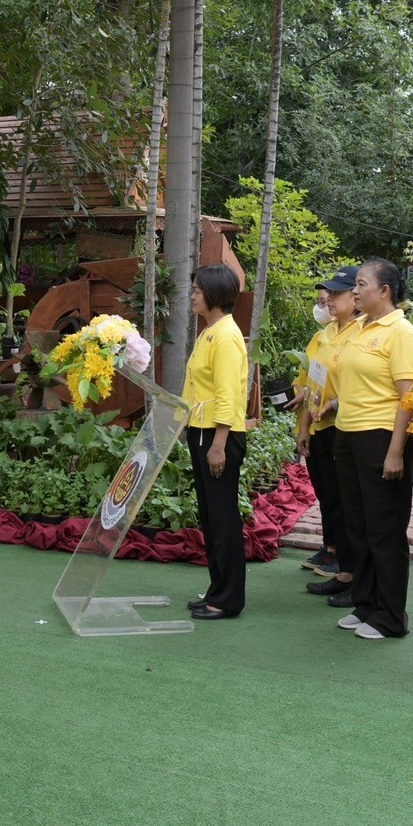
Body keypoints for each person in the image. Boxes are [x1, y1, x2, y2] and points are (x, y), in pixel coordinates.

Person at [331, 258, 413, 640]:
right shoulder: (359, 328)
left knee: (385, 529)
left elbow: (409, 399)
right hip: (348, 436)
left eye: (362, 284)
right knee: (359, 527)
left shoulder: (400, 332)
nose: (355, 290)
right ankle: (366, 603)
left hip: (382, 438)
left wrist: (395, 452)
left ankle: (390, 615)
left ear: (384, 291)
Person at [181, 264, 250, 621]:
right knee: (211, 516)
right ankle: (217, 588)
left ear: (213, 294)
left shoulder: (225, 335)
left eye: (196, 289)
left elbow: (228, 395)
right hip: (202, 430)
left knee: (223, 518)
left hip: (217, 434)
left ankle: (228, 598)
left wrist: (219, 443)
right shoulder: (210, 331)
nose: (192, 294)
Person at [295, 266, 362, 588]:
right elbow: (312, 384)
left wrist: (332, 405)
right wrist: (304, 426)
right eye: (328, 294)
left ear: (357, 297)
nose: (329, 301)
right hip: (320, 425)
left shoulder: (360, 334)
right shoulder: (327, 334)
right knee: (326, 494)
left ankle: (343, 558)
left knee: (343, 498)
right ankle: (334, 550)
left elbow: (359, 386)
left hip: (344, 427)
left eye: (336, 294)